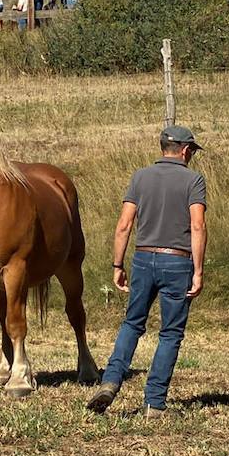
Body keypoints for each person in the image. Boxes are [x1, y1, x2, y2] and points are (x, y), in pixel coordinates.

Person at [86, 126, 207, 417]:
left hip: (142, 259)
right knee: (170, 333)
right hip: (177, 261)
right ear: (185, 150)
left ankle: (111, 381)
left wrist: (117, 264)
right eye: (191, 151)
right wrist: (198, 271)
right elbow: (198, 226)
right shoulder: (194, 180)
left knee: (132, 323)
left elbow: (124, 225)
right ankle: (154, 402)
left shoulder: (140, 177)